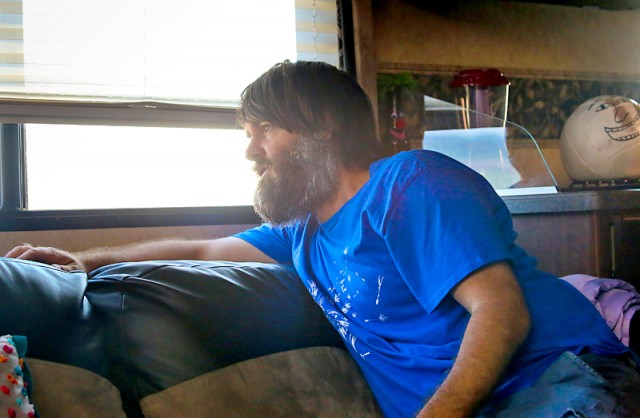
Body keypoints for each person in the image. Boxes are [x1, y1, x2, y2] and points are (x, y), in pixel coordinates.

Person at [6, 60, 640, 418]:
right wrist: (82, 260)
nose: (251, 152)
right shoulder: (303, 233)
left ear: (321, 127)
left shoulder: (407, 182)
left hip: (555, 385)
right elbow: (202, 251)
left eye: (263, 130)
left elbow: (501, 310)